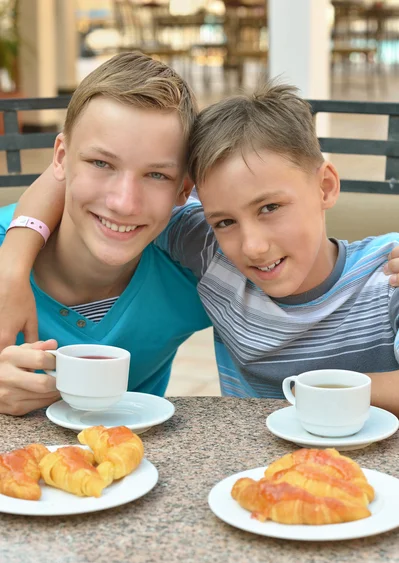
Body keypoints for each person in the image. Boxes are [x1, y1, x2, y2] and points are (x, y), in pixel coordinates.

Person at [2, 81, 399, 413]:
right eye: (224, 221)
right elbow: (76, 175)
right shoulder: (212, 252)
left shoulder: (388, 275)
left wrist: (322, 389)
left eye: (271, 208)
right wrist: (13, 265)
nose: (254, 247)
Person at [0, 51, 211, 415]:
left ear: (183, 189)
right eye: (101, 163)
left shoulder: (195, 266)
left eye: (156, 174)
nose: (124, 203)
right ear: (61, 158)